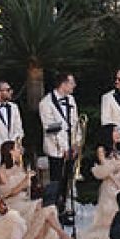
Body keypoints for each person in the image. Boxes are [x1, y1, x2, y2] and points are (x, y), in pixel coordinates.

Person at [0, 140, 68, 239]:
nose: (20, 150)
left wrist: (31, 181)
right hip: (12, 203)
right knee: (40, 206)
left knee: (48, 208)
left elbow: (27, 188)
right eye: (17, 148)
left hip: (25, 200)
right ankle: (60, 235)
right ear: (10, 151)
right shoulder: (1, 171)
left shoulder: (19, 167)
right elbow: (7, 193)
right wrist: (25, 181)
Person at [38, 72, 82, 215]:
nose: (74, 85)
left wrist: (76, 143)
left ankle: (63, 209)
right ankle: (53, 211)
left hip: (71, 147)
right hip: (56, 148)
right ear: (63, 84)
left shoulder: (71, 100)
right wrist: (64, 148)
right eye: (72, 83)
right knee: (55, 181)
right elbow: (51, 129)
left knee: (67, 180)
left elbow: (76, 123)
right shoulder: (46, 103)